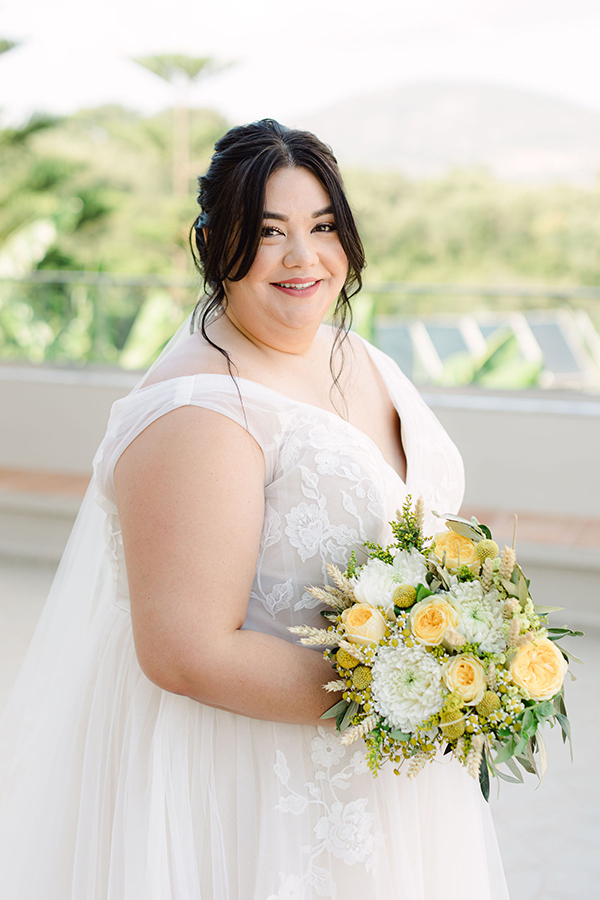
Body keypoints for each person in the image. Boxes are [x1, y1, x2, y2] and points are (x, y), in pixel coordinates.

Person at [0, 119, 509, 899]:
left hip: (379, 763)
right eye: (270, 233)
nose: (304, 258)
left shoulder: (355, 351)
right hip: (257, 784)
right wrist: (420, 693)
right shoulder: (198, 411)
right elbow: (184, 652)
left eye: (323, 226)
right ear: (215, 243)